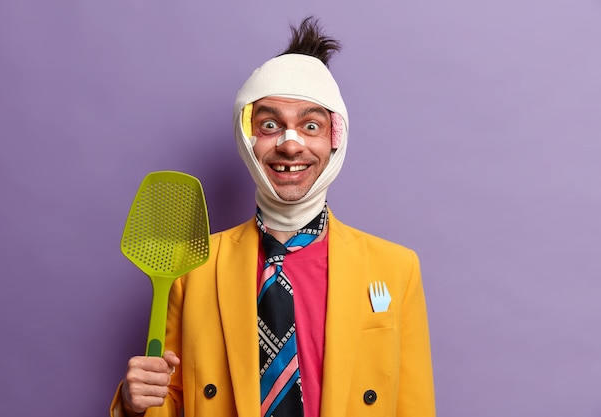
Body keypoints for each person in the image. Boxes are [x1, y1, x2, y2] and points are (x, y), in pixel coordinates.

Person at [111, 16, 435, 417]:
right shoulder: (192, 268)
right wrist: (134, 403)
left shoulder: (396, 269)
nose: (290, 144)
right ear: (247, 138)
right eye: (270, 124)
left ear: (335, 138)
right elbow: (169, 404)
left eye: (310, 125)